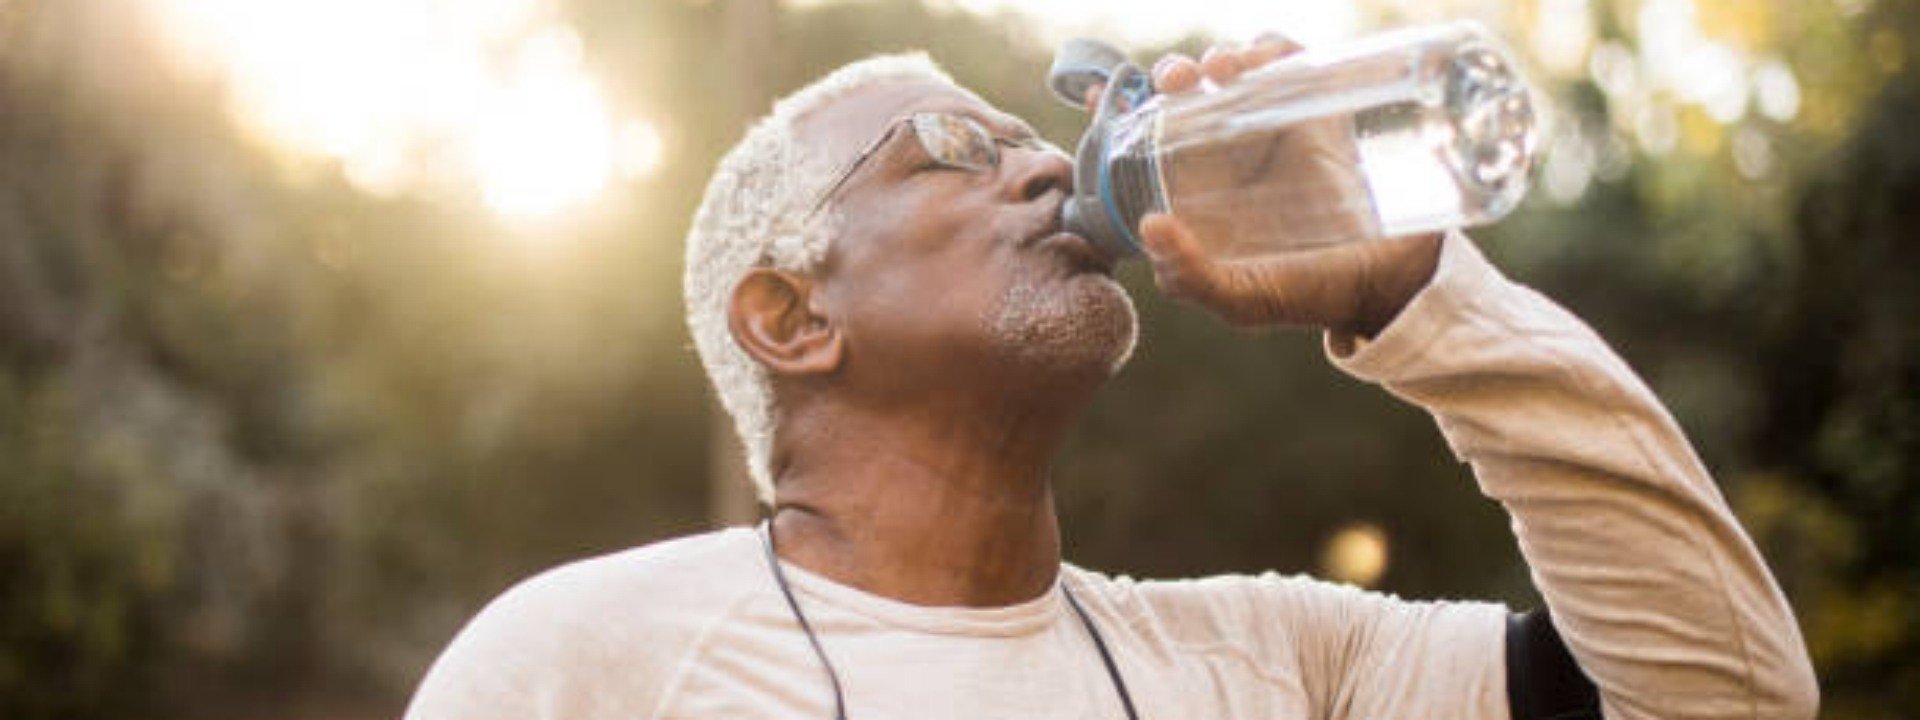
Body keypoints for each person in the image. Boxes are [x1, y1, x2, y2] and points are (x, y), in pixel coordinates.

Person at [405, 36, 1818, 720]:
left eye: (1040, 137)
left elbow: (1728, 696)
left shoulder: (1272, 661)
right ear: (791, 320)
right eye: (951, 149)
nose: (1039, 163)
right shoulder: (584, 663)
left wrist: (1416, 296)